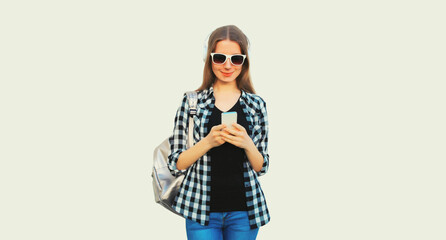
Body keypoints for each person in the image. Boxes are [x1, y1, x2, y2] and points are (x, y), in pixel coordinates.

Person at [167, 25, 270, 240]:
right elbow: (175, 163)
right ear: (209, 59)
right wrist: (208, 142)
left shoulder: (256, 104)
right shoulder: (191, 102)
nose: (227, 65)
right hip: (200, 211)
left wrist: (247, 143)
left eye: (236, 59)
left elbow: (261, 167)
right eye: (220, 57)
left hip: (245, 212)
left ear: (244, 61)